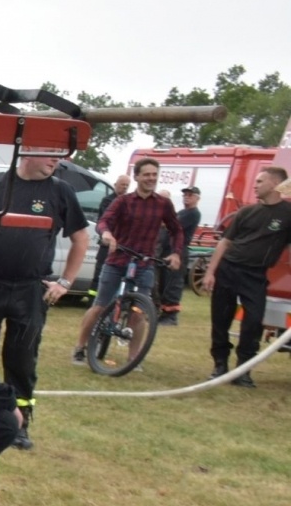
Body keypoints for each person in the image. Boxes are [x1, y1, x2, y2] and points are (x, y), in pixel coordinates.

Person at [0, 149, 88, 449]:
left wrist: (65, 282)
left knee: (22, 358)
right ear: (28, 151)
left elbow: (80, 238)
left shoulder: (60, 191)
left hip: (31, 288)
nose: (56, 160)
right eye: (50, 154)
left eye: (59, 155)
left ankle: (20, 422)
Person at [73, 158, 181, 365]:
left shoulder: (163, 204)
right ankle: (80, 347)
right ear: (137, 177)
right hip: (117, 259)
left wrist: (175, 253)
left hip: (144, 263)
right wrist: (106, 234)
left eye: (154, 175)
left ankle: (133, 358)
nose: (151, 178)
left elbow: (176, 229)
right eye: (147, 174)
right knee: (99, 306)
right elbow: (104, 221)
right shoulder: (123, 201)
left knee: (139, 312)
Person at [202, 166, 291, 388]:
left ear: (274, 184)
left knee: (253, 321)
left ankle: (243, 370)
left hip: (255, 275)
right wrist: (211, 272)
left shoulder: (288, 214)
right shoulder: (246, 212)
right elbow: (225, 242)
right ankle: (220, 365)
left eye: (260, 181)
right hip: (229, 269)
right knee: (221, 320)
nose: (255, 184)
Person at [157, 185, 203, 325]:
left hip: (179, 251)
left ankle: (171, 316)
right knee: (164, 282)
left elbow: (172, 225)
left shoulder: (193, 213)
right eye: (185, 195)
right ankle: (162, 312)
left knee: (173, 284)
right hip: (167, 250)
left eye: (190, 195)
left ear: (197, 198)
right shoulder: (182, 211)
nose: (187, 197)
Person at [90, 173, 130, 283]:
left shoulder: (128, 201)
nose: (125, 187)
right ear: (115, 185)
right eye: (123, 184)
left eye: (127, 185)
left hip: (121, 245)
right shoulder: (108, 200)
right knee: (99, 274)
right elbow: (108, 220)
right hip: (107, 243)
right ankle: (92, 298)